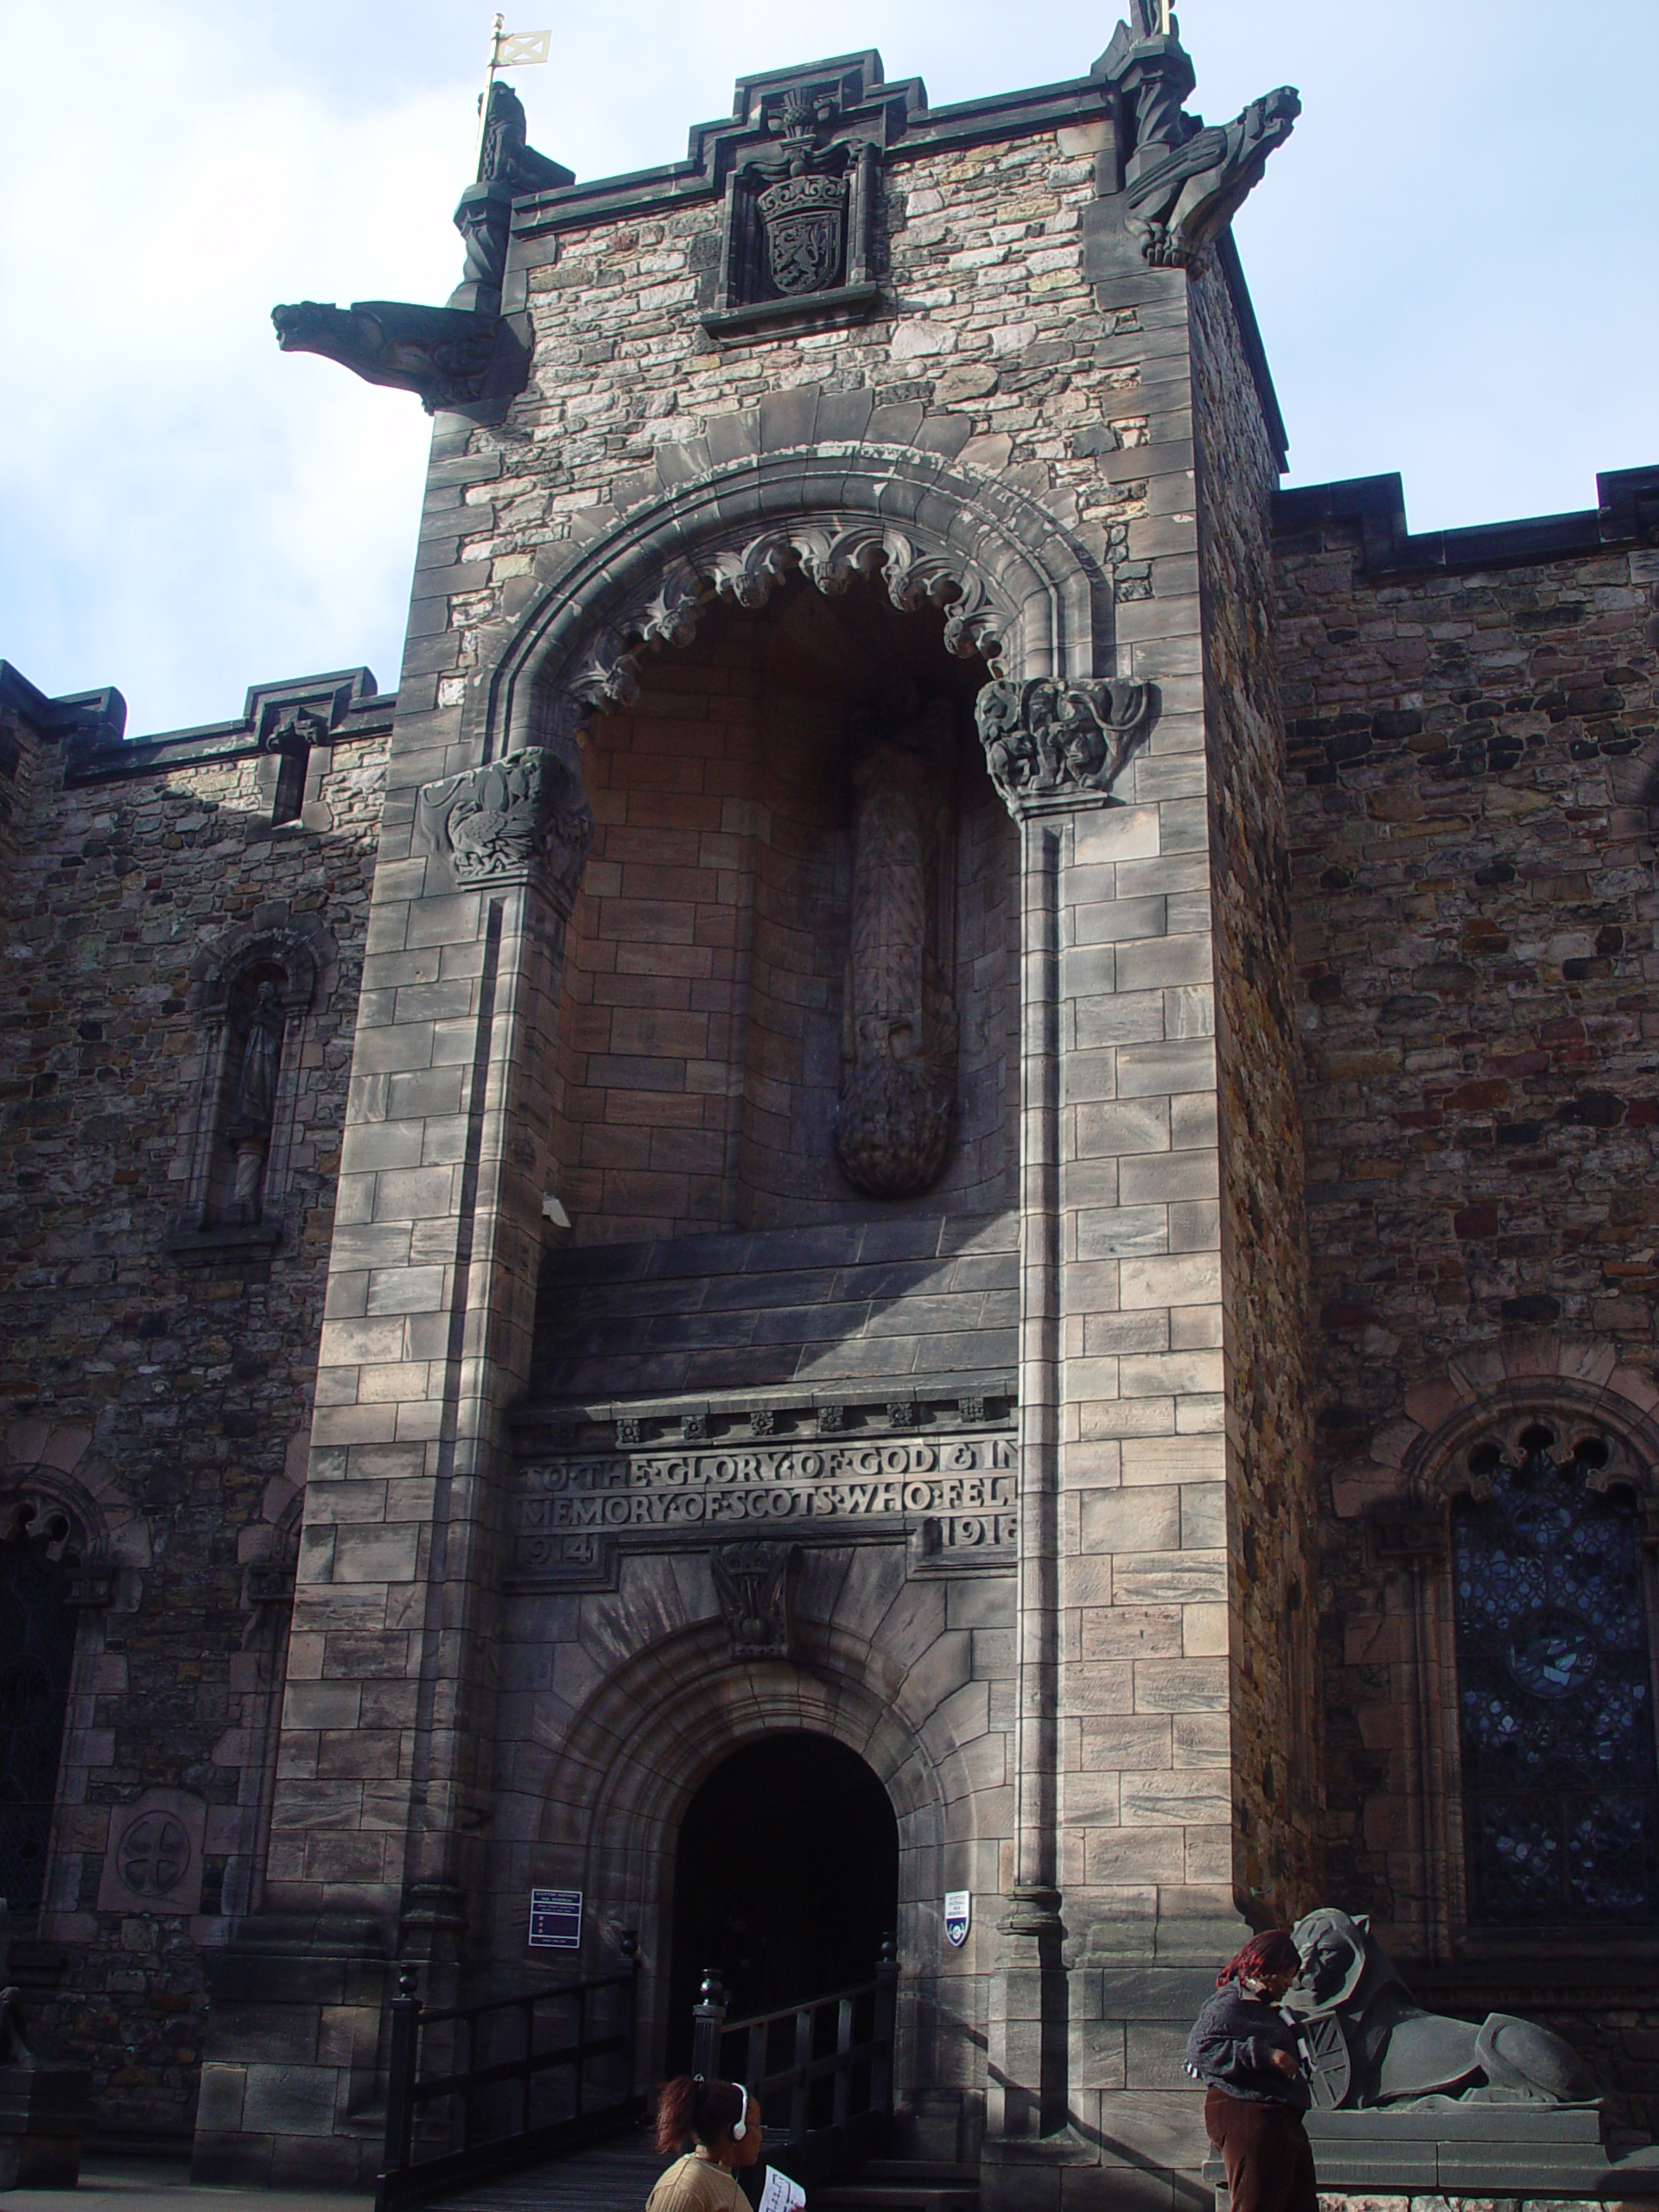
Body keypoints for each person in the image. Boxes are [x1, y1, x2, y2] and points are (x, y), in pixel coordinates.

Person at [1184, 1929, 1316, 2212]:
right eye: (1286, 1975)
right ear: (1266, 1968)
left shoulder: (1269, 2007)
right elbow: (1200, 2048)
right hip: (1246, 2114)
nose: (1290, 1984)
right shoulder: (1232, 2000)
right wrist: (1266, 2055)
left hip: (1280, 2119)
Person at [646, 2075, 764, 2210]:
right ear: (737, 2131)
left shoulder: (722, 2177)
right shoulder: (684, 2189)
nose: (761, 2135)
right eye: (757, 2126)